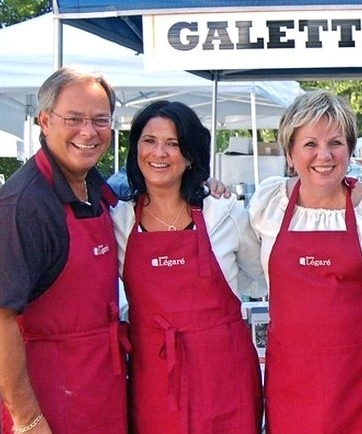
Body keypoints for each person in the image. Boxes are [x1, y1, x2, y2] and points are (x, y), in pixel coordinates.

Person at [0, 67, 128, 434]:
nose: (88, 132)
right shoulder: (22, 207)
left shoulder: (95, 187)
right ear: (45, 121)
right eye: (73, 119)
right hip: (50, 400)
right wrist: (28, 420)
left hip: (101, 389)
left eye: (100, 120)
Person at [248, 89, 362, 433]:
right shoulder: (268, 203)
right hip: (292, 377)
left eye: (336, 142)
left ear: (350, 149)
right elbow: (253, 271)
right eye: (310, 144)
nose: (324, 155)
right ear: (289, 152)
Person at [112, 100, 264, 433]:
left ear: (191, 154)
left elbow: (262, 278)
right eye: (149, 141)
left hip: (223, 375)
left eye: (173, 143)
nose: (159, 153)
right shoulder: (119, 221)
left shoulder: (223, 213)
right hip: (154, 375)